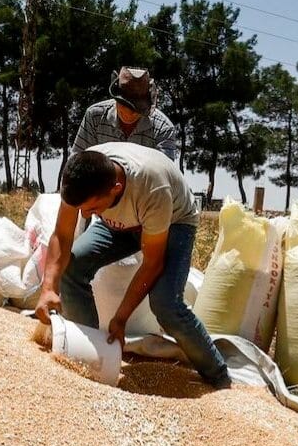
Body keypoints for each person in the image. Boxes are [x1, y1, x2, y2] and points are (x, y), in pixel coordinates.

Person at [35, 143, 230, 389]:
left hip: (173, 222)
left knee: (167, 305)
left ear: (116, 188)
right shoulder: (81, 175)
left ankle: (218, 376)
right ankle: (90, 355)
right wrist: (48, 287)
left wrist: (120, 318)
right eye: (82, 209)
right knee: (72, 268)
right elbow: (62, 235)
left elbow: (152, 263)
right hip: (122, 220)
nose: (84, 216)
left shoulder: (152, 188)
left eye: (92, 209)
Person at [71, 67, 178, 162]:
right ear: (116, 98)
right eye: (125, 105)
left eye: (137, 108)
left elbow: (165, 174)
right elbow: (76, 161)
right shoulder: (95, 116)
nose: (129, 112)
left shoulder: (163, 128)